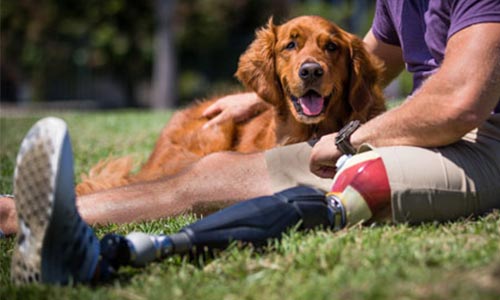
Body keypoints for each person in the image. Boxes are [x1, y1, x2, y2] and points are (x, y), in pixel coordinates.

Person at [4, 0, 500, 284]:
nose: (312, 61)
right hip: (422, 132)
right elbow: (370, 63)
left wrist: (350, 138)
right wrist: (260, 100)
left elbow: (459, 102)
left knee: (352, 182)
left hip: (483, 140)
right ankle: (31, 213)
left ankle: (119, 251)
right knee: (210, 171)